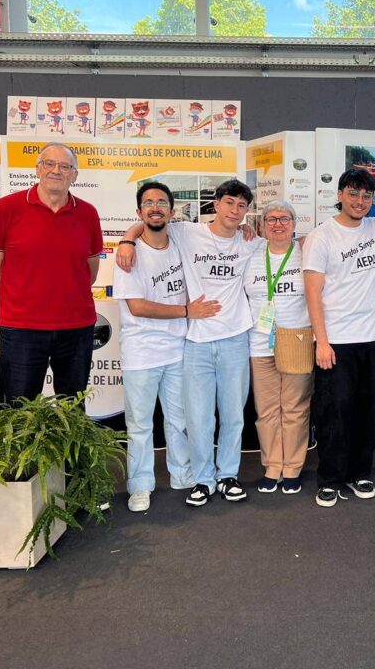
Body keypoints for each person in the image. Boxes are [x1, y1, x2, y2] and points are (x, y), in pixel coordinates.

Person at [117, 179, 261, 508]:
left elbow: (285, 243)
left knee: (233, 415)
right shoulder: (187, 232)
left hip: (235, 339)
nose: (234, 210)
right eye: (229, 203)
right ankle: (203, 479)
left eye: (241, 206)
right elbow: (150, 222)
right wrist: (126, 240)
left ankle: (228, 475)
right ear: (216, 204)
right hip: (195, 342)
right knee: (198, 419)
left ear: (246, 211)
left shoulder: (250, 242)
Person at [302, 168, 375, 508]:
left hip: (372, 338)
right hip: (335, 340)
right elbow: (312, 293)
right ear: (340, 195)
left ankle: (360, 472)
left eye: (366, 196)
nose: (360, 201)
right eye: (353, 194)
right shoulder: (322, 236)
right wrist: (321, 342)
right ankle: (330, 479)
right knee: (334, 411)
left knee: (370, 408)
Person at [0, 143, 103, 401]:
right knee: (20, 408)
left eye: (65, 166)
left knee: (72, 409)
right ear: (38, 169)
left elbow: (90, 270)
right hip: (22, 329)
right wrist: (18, 302)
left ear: (74, 175)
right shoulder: (7, 208)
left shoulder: (89, 213)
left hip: (76, 328)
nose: (56, 171)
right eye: (49, 164)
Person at [113, 182, 198, 512]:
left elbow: (221, 228)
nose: (155, 207)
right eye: (148, 203)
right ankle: (140, 485)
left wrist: (246, 227)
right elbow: (137, 307)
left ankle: (182, 474)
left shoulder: (180, 238)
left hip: (177, 348)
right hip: (141, 352)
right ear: (139, 212)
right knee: (140, 425)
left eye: (162, 202)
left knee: (179, 419)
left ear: (172, 211)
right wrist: (187, 311)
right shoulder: (128, 255)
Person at [243, 200, 312, 496]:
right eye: (271, 219)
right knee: (267, 410)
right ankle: (272, 466)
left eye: (284, 219)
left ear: (294, 224)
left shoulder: (306, 251)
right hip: (260, 341)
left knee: (295, 408)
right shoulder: (251, 252)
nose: (278, 224)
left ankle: (292, 467)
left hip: (296, 338)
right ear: (261, 225)